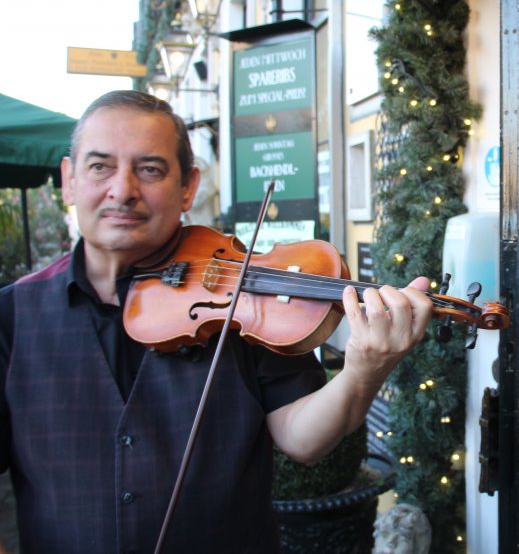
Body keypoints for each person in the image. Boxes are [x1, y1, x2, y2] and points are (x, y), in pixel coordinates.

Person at [0, 91, 432, 552]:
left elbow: (304, 441)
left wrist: (364, 370)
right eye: (99, 166)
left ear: (188, 186)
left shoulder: (246, 295)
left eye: (150, 169)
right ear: (69, 180)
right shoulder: (11, 316)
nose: (123, 190)